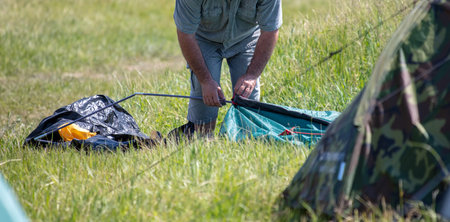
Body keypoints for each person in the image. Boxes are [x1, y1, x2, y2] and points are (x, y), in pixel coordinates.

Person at [173, 0, 282, 137]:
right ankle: (202, 141)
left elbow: (270, 31)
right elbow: (186, 35)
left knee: (248, 103)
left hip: (246, 38)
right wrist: (206, 81)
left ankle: (246, 143)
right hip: (204, 39)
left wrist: (252, 75)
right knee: (204, 108)